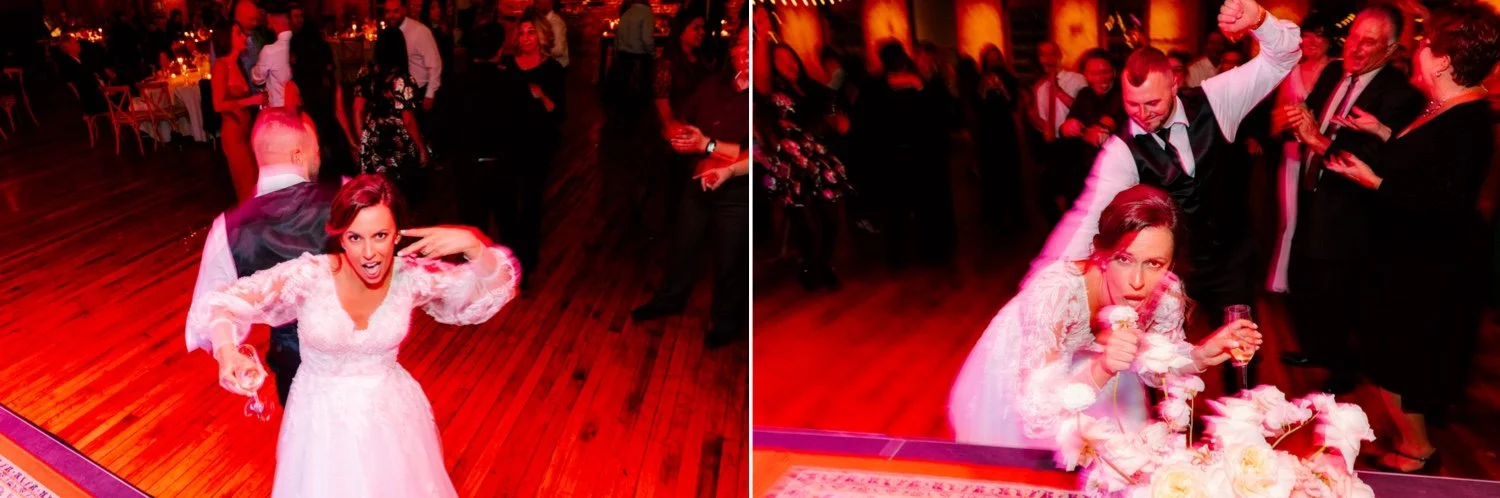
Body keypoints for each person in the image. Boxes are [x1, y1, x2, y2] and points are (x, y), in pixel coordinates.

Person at [188, 174, 519, 497]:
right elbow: (223, 303)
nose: (369, 253)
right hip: (319, 422)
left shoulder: (410, 278)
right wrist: (227, 351)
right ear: (340, 237)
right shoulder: (310, 275)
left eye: (380, 235)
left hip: (391, 418)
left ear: (397, 236)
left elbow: (492, 290)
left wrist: (475, 248)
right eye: (355, 238)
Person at [1033, 0, 1296, 394]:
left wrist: (1258, 19)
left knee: (1241, 350)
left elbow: (1283, 56)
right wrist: (1051, 280)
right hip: (1170, 271)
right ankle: (1169, 424)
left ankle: (1241, 416)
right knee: (1158, 360)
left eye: (1152, 102)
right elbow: (1088, 217)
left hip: (1231, 256)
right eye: (1131, 104)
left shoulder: (1216, 99)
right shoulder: (1122, 149)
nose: (1142, 114)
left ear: (1174, 83)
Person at [1318, 4, 1500, 473]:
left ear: (1443, 61)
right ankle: (1411, 442)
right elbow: (1427, 163)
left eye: (1426, 42)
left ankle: (1417, 450)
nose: (1418, 48)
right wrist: (1381, 131)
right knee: (1389, 353)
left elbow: (1444, 201)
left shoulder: (1469, 121)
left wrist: (1373, 181)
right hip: (1407, 253)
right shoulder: (1441, 105)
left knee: (1398, 359)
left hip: (1427, 264)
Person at [951, 185, 1260, 448]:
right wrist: (1102, 367)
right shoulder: (1055, 293)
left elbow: (1156, 368)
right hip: (1032, 364)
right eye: (1124, 259)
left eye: (1154, 264)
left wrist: (1201, 354)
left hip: (1104, 376)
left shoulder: (1165, 294)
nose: (1137, 282)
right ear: (1101, 253)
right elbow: (1038, 414)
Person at [1279, 5, 1423, 396]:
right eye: (1353, 38)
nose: (1355, 49)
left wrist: (1316, 140)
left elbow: (1371, 160)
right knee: (1303, 281)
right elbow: (1311, 118)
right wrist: (1296, 123)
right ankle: (1316, 350)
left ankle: (1341, 369)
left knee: (1336, 293)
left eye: (1369, 42)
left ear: (1391, 49)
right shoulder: (1332, 73)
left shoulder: (1400, 96)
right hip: (1311, 192)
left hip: (1349, 211)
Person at [186, 109, 340, 404]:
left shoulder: (226, 228)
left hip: (293, 365)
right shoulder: (346, 197)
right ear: (298, 155)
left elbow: (210, 306)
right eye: (316, 150)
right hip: (356, 356)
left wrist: (227, 352)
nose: (319, 157)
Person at [631, 22, 751, 347]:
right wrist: (675, 132)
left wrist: (708, 146)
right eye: (741, 44)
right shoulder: (713, 85)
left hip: (738, 193)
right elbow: (680, 119)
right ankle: (670, 298)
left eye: (753, 45)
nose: (746, 52)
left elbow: (755, 153)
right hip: (698, 180)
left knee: (729, 259)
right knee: (683, 246)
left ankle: (726, 321)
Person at [1265, 13, 1339, 294]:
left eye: (1318, 35)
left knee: (1321, 217)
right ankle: (1281, 280)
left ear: (1328, 40)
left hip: (1328, 153)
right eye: (1306, 35)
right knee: (1289, 217)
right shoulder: (1292, 72)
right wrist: (1290, 121)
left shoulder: (1340, 70)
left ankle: (1315, 280)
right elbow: (1276, 121)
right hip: (1294, 152)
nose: (1311, 41)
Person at [354, 28, 429, 206]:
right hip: (397, 140)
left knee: (375, 193)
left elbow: (357, 109)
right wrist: (422, 149)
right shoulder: (403, 79)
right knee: (399, 193)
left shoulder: (366, 71)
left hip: (373, 134)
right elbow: (408, 119)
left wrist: (361, 140)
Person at [213, 22, 269, 203]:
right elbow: (218, 104)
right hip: (233, 136)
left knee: (255, 183)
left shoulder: (237, 64)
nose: (245, 37)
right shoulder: (220, 66)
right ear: (227, 39)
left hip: (245, 132)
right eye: (239, 34)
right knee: (247, 187)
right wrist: (252, 100)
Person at [381, 0, 442, 112]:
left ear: (404, 10)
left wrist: (430, 94)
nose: (391, 16)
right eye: (387, 12)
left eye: (395, 11)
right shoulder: (387, 33)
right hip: (396, 93)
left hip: (419, 92)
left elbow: (435, 64)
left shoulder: (419, 31)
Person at [251, 10, 293, 107]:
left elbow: (257, 78)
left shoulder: (270, 51)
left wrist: (254, 68)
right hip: (302, 108)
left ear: (272, 19)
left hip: (279, 110)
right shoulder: (304, 42)